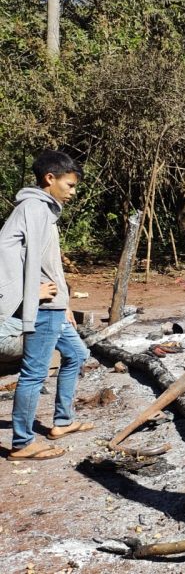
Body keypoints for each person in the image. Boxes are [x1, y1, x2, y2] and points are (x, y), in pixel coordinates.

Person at [0, 150, 92, 461]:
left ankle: (62, 421)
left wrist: (65, 301)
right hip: (42, 307)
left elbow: (45, 263)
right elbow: (4, 252)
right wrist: (29, 293)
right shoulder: (34, 208)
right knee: (34, 373)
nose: (73, 191)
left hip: (55, 306)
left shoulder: (44, 210)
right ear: (49, 178)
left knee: (77, 355)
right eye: (69, 184)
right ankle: (23, 442)